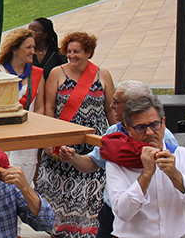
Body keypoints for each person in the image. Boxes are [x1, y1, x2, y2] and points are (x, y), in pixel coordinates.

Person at [57, 80, 177, 238]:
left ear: (131, 105)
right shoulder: (114, 132)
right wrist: (73, 157)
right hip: (111, 213)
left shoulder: (164, 138)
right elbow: (93, 163)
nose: (111, 106)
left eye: (116, 102)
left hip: (145, 217)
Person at [35, 31, 115, 238]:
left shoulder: (103, 74)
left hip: (94, 148)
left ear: (89, 52)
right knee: (59, 195)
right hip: (63, 147)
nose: (72, 55)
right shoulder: (56, 73)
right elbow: (50, 109)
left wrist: (117, 139)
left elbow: (111, 110)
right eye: (69, 51)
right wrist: (51, 143)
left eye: (77, 51)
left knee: (92, 198)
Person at [104, 95, 185, 238]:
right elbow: (123, 212)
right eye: (141, 127)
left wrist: (175, 175)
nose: (150, 132)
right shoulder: (117, 162)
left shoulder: (183, 155)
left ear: (164, 123)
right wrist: (146, 175)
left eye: (154, 124)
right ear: (129, 129)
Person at [0, 28, 44, 188]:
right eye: (28, 47)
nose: (33, 51)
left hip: (26, 138)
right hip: (2, 135)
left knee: (24, 184)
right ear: (14, 49)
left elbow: (40, 108)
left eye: (33, 47)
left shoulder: (37, 73)